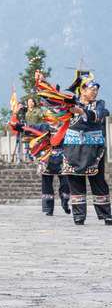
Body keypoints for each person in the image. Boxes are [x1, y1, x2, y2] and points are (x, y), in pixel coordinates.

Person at [56, 72, 109, 225]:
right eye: (92, 89)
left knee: (98, 180)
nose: (95, 92)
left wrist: (81, 112)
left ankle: (106, 214)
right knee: (75, 181)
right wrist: (42, 82)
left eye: (96, 89)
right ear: (82, 90)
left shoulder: (98, 104)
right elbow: (55, 107)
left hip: (94, 148)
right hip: (73, 148)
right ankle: (79, 216)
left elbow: (98, 116)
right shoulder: (70, 104)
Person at [11, 109, 71, 216]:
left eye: (52, 116)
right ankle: (48, 208)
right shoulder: (43, 127)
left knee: (66, 182)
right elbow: (28, 127)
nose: (49, 119)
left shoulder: (65, 127)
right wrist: (15, 125)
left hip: (62, 157)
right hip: (46, 157)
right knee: (46, 183)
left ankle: (65, 200)